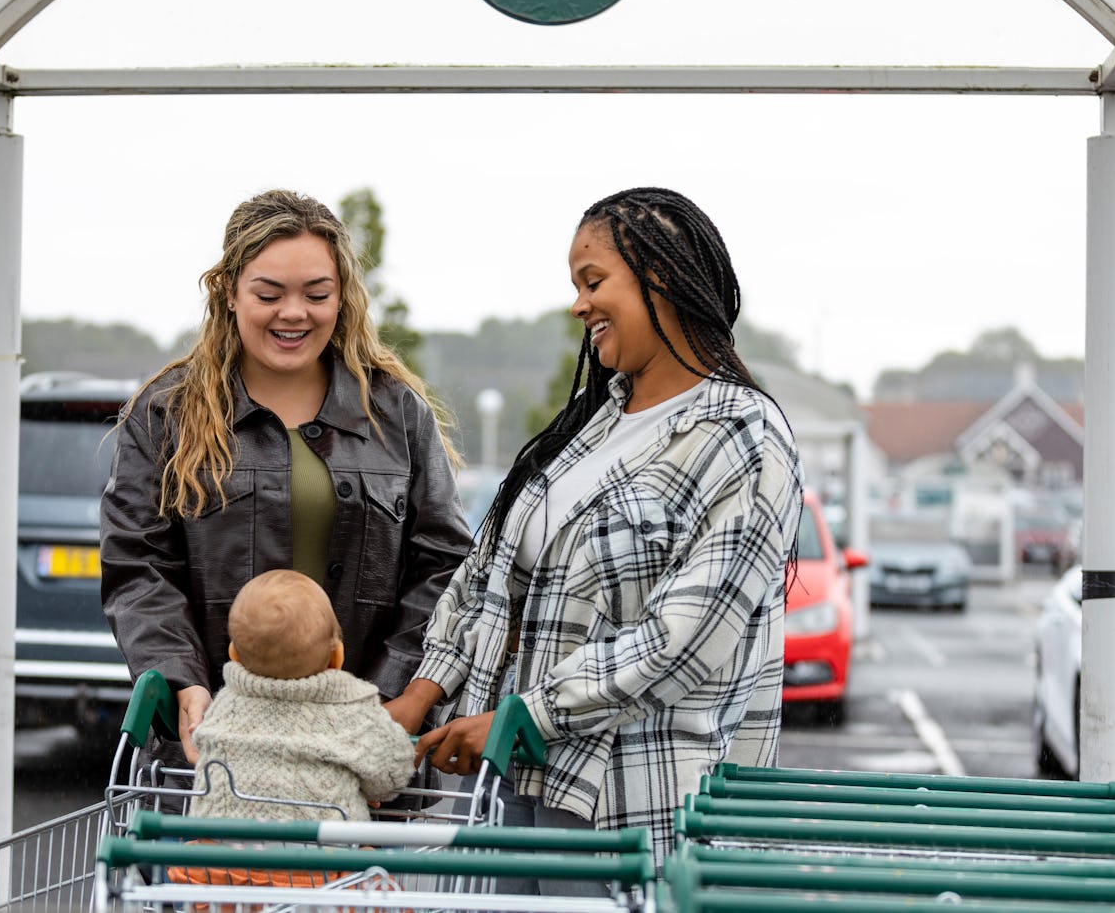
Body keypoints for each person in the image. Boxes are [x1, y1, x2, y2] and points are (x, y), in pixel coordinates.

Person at [388, 186, 804, 872]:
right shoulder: (589, 424)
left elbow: (686, 639)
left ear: (661, 277)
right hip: (517, 781)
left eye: (593, 281)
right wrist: (422, 693)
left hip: (639, 806)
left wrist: (531, 714)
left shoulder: (745, 438)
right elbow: (488, 575)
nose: (578, 304)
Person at [100, 189, 473, 767]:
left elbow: (443, 566)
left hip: (362, 748)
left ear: (342, 296)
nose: (294, 313)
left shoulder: (396, 412)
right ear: (227, 291)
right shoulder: (164, 413)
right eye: (269, 294)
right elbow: (137, 568)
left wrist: (388, 695)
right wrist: (182, 682)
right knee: (216, 866)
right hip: (216, 748)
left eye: (317, 294)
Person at [189, 570, 417, 822]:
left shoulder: (225, 703)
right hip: (321, 852)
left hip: (222, 850)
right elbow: (392, 775)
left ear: (234, 654)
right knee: (368, 856)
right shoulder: (353, 705)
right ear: (337, 657)